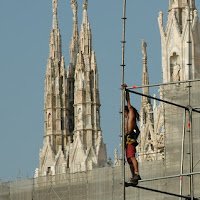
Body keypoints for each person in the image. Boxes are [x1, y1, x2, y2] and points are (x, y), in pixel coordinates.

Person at [122, 84, 141, 183]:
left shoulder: (131, 114)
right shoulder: (131, 121)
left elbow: (128, 101)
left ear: (127, 111)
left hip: (130, 140)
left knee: (132, 157)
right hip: (128, 139)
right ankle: (133, 177)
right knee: (129, 160)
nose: (124, 116)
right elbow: (138, 131)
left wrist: (126, 90)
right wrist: (135, 135)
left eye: (124, 113)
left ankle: (137, 173)